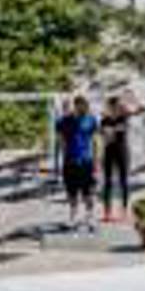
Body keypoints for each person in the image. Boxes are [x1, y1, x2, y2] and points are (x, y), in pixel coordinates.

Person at [52, 93, 100, 226]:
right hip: (70, 160)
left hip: (86, 160)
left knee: (88, 191)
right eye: (82, 104)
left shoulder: (91, 120)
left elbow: (96, 141)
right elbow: (61, 142)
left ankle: (90, 216)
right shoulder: (63, 121)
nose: (85, 107)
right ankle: (73, 216)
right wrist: (61, 160)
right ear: (76, 105)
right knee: (71, 191)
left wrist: (96, 162)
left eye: (86, 104)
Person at [98, 91, 137, 217]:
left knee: (124, 180)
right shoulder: (105, 120)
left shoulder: (123, 118)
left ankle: (124, 210)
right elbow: (104, 135)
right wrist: (111, 131)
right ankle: (107, 211)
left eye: (117, 106)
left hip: (122, 151)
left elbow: (121, 129)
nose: (115, 108)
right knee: (107, 181)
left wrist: (111, 131)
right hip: (109, 151)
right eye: (112, 106)